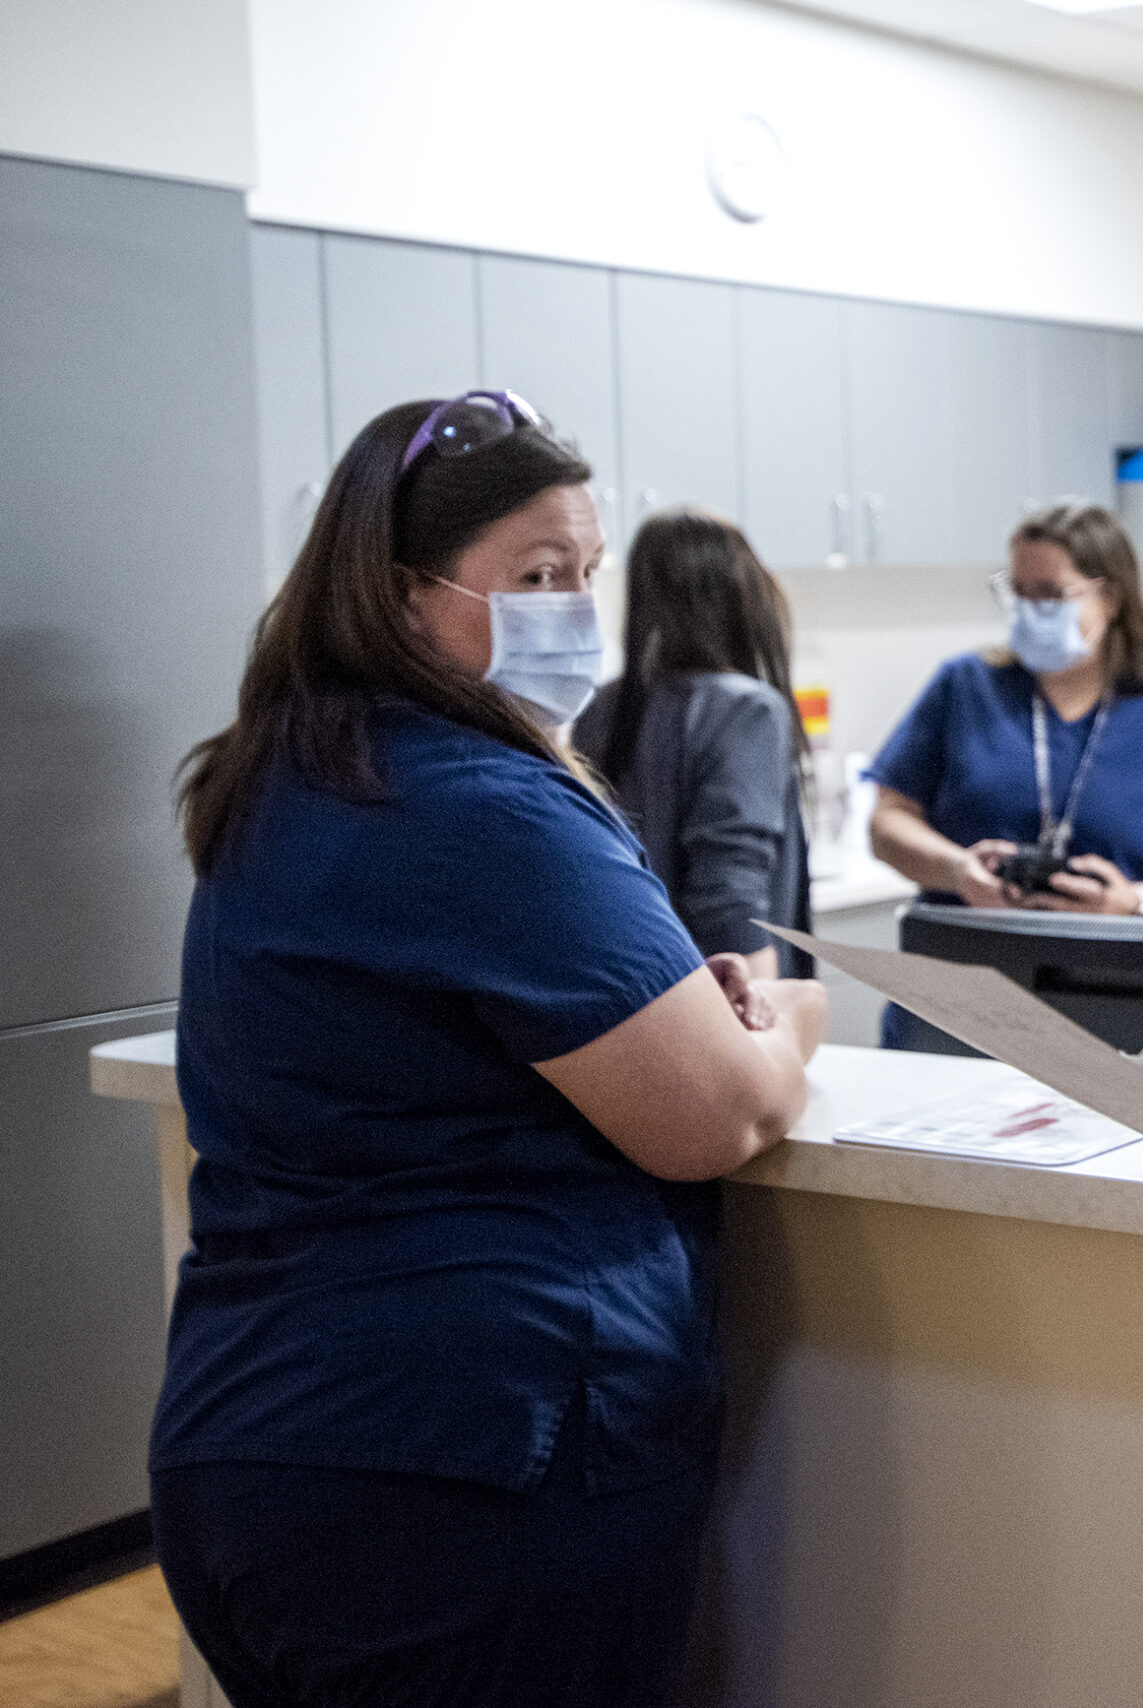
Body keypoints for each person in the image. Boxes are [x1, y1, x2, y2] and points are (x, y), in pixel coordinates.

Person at [154, 391, 828, 1708]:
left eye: (585, 571)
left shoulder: (289, 769)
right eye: (531, 576)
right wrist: (788, 1020)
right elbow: (718, 1118)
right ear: (400, 596)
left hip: (254, 1445)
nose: (573, 607)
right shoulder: (482, 803)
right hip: (458, 1475)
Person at [866, 501, 1143, 1041]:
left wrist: (1135, 902)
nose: (1032, 610)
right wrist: (956, 870)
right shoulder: (965, 687)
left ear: (1112, 596)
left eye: (1052, 594)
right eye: (1020, 591)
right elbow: (887, 821)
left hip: (1110, 995)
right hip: (957, 994)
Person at [575, 510, 813, 981]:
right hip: (723, 990)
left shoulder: (603, 706)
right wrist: (764, 1019)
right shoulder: (748, 709)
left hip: (639, 990)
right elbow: (731, 899)